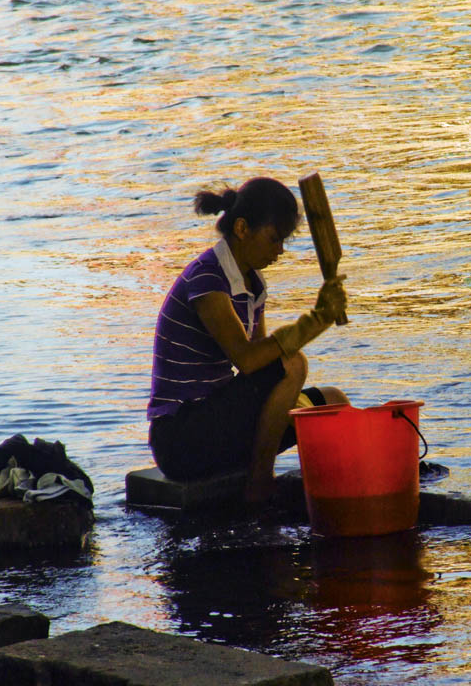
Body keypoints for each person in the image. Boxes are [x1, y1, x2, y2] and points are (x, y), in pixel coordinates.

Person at [147, 177, 348, 508]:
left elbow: (262, 369)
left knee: (332, 403)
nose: (279, 251)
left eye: (283, 241)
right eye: (273, 239)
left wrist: (293, 405)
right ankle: (259, 483)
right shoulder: (207, 279)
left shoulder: (253, 284)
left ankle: (337, 491)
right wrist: (317, 319)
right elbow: (248, 359)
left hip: (219, 423)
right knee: (293, 364)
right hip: (182, 438)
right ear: (242, 229)